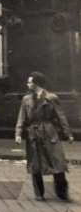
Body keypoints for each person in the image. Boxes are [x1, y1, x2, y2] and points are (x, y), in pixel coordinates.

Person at [15, 72, 74, 201]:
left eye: (30, 82)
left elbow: (61, 117)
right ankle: (38, 192)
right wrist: (18, 133)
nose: (28, 84)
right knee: (35, 164)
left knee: (57, 161)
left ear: (36, 84)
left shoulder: (52, 98)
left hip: (49, 132)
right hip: (33, 134)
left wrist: (68, 134)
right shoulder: (26, 99)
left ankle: (62, 191)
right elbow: (22, 117)